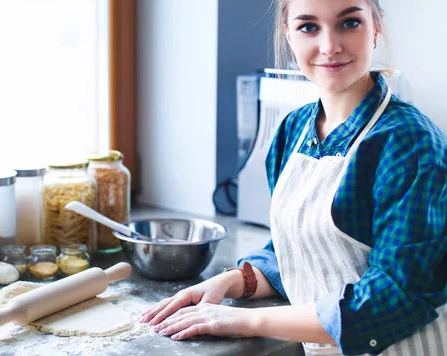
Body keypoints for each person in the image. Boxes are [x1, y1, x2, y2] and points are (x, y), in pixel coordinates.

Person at [140, 0, 447, 355]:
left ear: (375, 27)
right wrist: (234, 280)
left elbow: (397, 292)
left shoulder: (409, 142)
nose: (329, 46)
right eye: (308, 27)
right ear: (289, 36)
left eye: (349, 23)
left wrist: (242, 320)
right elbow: (300, 251)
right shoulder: (293, 130)